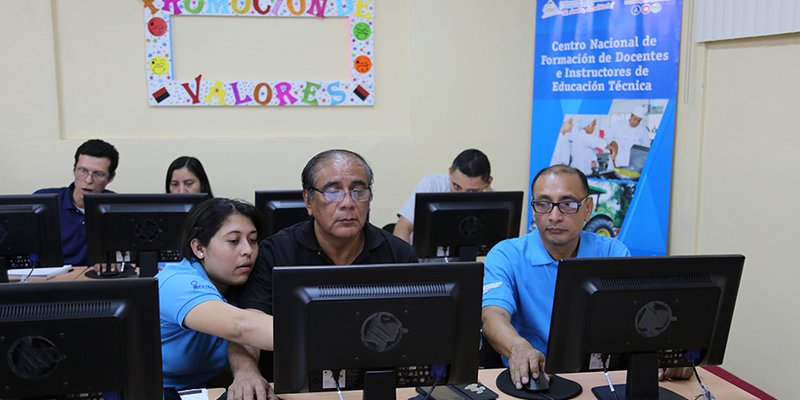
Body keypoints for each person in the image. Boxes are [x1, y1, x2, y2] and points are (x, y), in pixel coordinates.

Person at [226, 149, 418, 400]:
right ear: (308, 200)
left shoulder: (399, 255)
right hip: (292, 391)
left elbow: (416, 334)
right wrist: (246, 372)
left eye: (359, 190)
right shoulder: (274, 254)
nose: (348, 202)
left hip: (373, 389)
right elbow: (248, 324)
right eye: (333, 190)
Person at [481, 165, 691, 390]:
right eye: (543, 204)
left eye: (567, 204)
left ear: (588, 208)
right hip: (535, 380)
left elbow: (638, 320)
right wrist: (518, 348)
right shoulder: (506, 255)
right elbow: (492, 315)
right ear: (534, 209)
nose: (554, 216)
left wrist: (671, 354)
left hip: (602, 380)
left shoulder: (612, 253)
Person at [157, 197, 275, 393]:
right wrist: (325, 336)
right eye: (233, 241)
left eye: (253, 240)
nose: (248, 251)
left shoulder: (236, 284)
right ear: (199, 248)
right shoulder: (176, 282)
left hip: (204, 392)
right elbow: (239, 327)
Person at [34, 139, 119, 266]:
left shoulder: (117, 208)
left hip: (95, 282)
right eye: (83, 170)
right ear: (74, 170)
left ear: (110, 178)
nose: (89, 180)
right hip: (49, 280)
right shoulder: (45, 202)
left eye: (98, 174)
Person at [393, 148, 493, 243]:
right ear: (450, 172)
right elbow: (403, 227)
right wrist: (408, 259)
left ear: (488, 182)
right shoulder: (432, 184)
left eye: (471, 191)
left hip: (465, 260)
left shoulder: (496, 202)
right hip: (418, 259)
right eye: (456, 186)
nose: (461, 196)